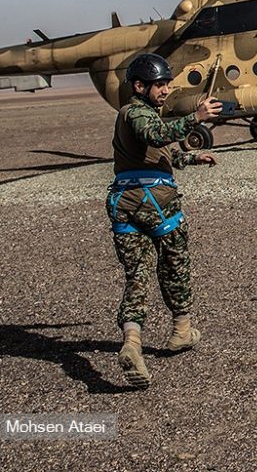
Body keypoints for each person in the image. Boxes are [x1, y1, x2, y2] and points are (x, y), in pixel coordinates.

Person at [107, 53, 222, 388]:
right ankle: (182, 329)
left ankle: (132, 343)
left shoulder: (136, 116)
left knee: (137, 276)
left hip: (123, 205)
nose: (166, 89)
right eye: (160, 84)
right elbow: (155, 135)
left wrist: (191, 156)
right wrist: (195, 118)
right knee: (175, 264)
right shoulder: (135, 113)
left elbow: (161, 150)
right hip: (155, 202)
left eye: (167, 83)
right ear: (139, 86)